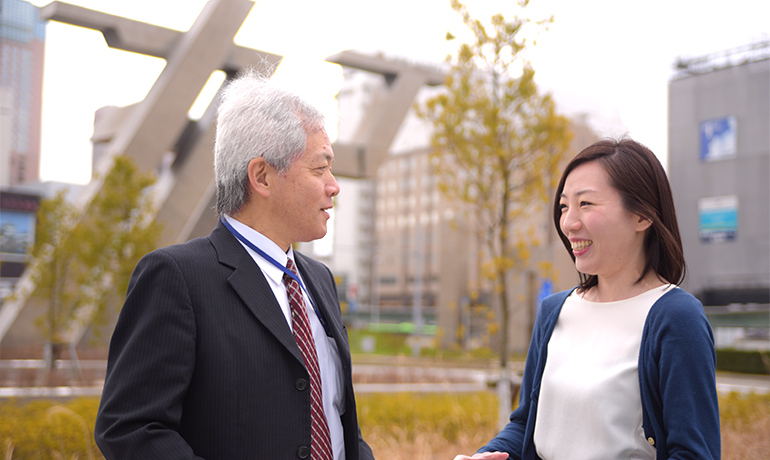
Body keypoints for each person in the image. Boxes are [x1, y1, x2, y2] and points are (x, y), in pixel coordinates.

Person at [95, 70, 375, 460]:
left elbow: (337, 421)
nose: (334, 185)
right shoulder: (178, 278)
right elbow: (130, 428)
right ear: (262, 176)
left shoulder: (319, 280)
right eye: (320, 168)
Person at [454, 139, 720, 460]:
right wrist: (489, 455)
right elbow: (525, 425)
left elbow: (694, 453)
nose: (568, 222)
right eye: (564, 206)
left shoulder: (676, 317)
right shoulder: (554, 311)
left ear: (642, 216)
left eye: (586, 204)